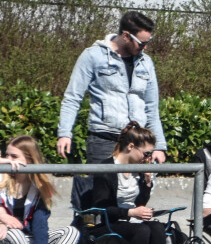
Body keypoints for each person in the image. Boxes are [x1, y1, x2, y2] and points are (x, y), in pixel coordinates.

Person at [57, 10, 168, 165]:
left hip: (138, 144)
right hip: (103, 140)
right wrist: (64, 133)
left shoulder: (146, 63)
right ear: (126, 36)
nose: (145, 48)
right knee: (102, 188)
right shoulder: (93, 56)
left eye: (148, 43)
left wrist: (159, 146)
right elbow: (72, 98)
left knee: (136, 189)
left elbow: (151, 107)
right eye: (141, 43)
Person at [82, 123, 172, 244]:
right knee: (143, 231)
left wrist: (147, 182)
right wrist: (131, 212)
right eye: (146, 154)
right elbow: (100, 208)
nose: (148, 159)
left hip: (129, 223)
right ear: (131, 147)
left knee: (156, 227)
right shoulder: (107, 168)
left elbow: (140, 203)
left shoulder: (137, 170)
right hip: (106, 224)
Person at [1, 136, 80, 244]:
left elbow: (40, 224)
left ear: (29, 160)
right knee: (14, 233)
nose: (9, 160)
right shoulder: (1, 177)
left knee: (71, 232)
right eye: (6, 155)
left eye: (14, 157)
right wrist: (2, 218)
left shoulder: (39, 187)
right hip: (5, 238)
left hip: (27, 240)